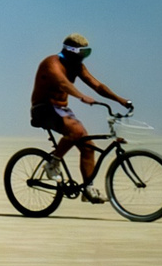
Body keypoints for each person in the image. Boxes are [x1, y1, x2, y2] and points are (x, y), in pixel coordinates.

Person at [30, 34, 130, 200]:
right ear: (70, 51)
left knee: (88, 146)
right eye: (82, 53)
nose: (83, 57)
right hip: (44, 109)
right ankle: (53, 163)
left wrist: (120, 100)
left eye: (87, 53)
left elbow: (96, 85)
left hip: (62, 110)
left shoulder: (77, 66)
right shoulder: (51, 63)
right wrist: (81, 96)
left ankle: (87, 190)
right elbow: (63, 83)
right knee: (76, 131)